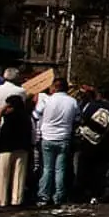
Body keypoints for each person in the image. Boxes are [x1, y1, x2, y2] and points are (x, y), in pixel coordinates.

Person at [35, 77, 80, 206]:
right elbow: (78, 118)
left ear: (54, 87)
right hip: (64, 137)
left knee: (47, 168)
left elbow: (35, 116)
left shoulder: (46, 100)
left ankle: (44, 195)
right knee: (60, 169)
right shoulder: (73, 102)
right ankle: (58, 196)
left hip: (47, 137)